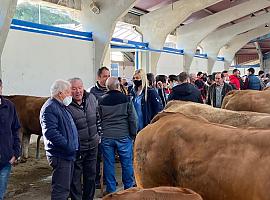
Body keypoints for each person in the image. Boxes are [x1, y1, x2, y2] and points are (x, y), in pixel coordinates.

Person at [40, 80, 79, 200]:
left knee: (66, 188)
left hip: (67, 154)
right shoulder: (50, 108)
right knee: (61, 191)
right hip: (61, 154)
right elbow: (51, 133)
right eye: (68, 92)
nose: (70, 95)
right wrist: (68, 146)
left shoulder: (61, 106)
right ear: (60, 93)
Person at [98, 77, 137, 195]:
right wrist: (133, 133)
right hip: (124, 136)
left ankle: (111, 190)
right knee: (126, 163)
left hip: (107, 137)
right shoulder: (126, 99)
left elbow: (98, 119)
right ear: (118, 86)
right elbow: (133, 119)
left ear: (107, 87)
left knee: (109, 164)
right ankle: (128, 189)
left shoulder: (100, 100)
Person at [67, 78, 100, 200]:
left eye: (80, 87)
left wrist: (99, 135)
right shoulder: (66, 104)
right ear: (69, 90)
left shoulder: (91, 98)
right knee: (75, 178)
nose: (78, 91)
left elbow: (97, 117)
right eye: (74, 88)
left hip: (93, 145)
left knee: (91, 176)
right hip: (77, 148)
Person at [88, 66, 110, 188]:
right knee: (96, 156)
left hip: (108, 128)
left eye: (108, 76)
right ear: (98, 77)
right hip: (97, 128)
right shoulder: (92, 92)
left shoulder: (111, 90)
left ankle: (106, 178)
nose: (107, 78)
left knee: (107, 155)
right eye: (104, 76)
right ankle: (96, 179)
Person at [0, 78, 21, 200]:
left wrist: (15, 153)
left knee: (1, 193)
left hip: (6, 159)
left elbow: (15, 129)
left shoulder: (9, 106)